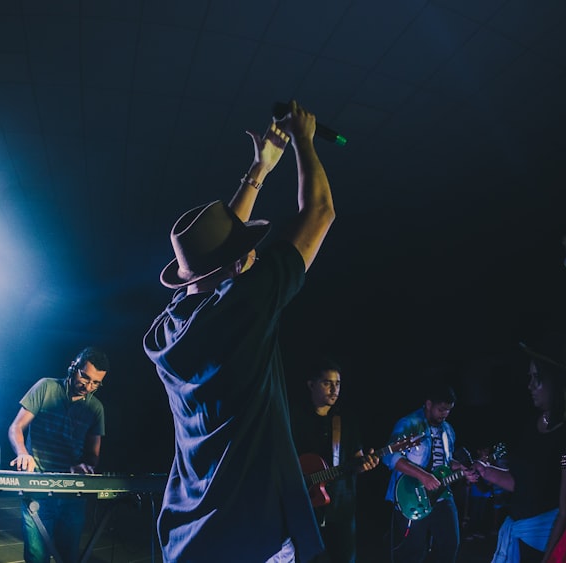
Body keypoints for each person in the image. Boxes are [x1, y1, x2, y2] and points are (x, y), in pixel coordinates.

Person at [142, 99, 335, 562]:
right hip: (253, 536)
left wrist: (259, 170)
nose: (253, 253)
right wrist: (304, 142)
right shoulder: (247, 305)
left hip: (191, 537)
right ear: (236, 265)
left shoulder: (166, 333)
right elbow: (321, 212)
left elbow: (216, 255)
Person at [470, 333, 566, 562]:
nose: (530, 385)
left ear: (558, 381)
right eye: (529, 377)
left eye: (537, 378)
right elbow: (522, 483)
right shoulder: (535, 423)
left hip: (544, 546)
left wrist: (551, 558)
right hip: (520, 539)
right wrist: (485, 471)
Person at [7, 346, 110, 563]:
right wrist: (23, 453)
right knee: (36, 557)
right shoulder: (46, 387)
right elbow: (16, 427)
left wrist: (85, 466)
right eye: (85, 377)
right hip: (38, 485)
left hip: (72, 492)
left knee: (69, 557)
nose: (88, 386)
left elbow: (93, 455)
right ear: (73, 367)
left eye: (96, 383)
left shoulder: (96, 408)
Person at [289, 358, 380, 562]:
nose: (334, 389)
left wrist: (366, 464)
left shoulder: (346, 419)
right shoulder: (293, 416)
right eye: (327, 383)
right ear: (311, 385)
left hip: (341, 507)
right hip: (306, 507)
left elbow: (356, 461)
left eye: (337, 383)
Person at [383, 382, 471, 563]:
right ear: (428, 404)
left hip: (442, 496)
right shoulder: (409, 423)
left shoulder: (448, 429)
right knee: (413, 551)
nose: (444, 414)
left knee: (450, 544)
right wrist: (423, 476)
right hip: (411, 496)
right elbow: (390, 458)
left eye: (448, 410)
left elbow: (446, 462)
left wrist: (461, 468)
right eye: (441, 409)